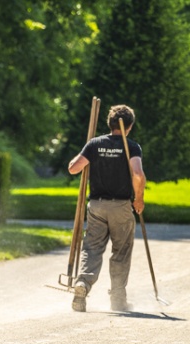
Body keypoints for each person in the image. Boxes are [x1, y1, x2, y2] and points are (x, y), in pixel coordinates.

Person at [67, 104, 146, 312]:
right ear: (129, 126)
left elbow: (74, 168)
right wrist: (139, 199)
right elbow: (138, 174)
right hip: (121, 206)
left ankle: (82, 284)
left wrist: (90, 154)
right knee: (121, 251)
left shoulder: (94, 144)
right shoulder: (132, 147)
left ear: (109, 124)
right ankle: (118, 299)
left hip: (97, 205)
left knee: (92, 248)